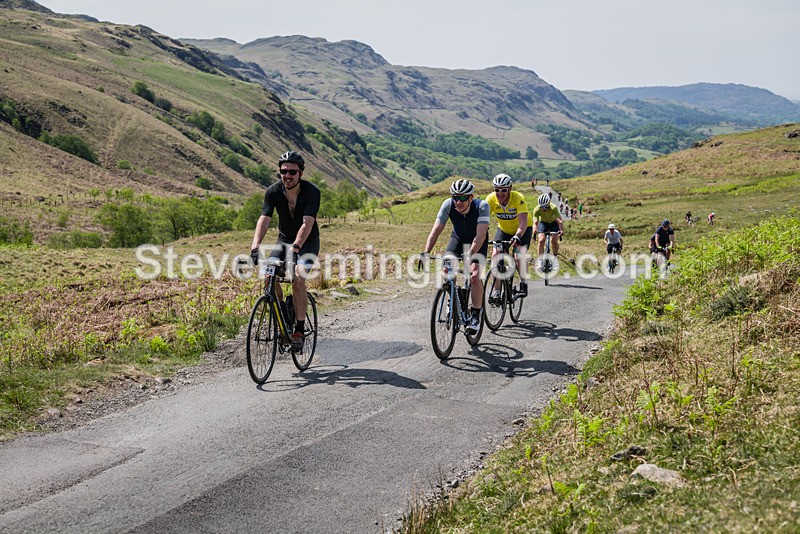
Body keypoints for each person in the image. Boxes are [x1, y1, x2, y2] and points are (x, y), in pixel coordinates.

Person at [250, 151, 320, 352]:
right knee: (268, 275)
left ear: (301, 173)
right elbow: (264, 220)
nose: (287, 175)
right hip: (283, 241)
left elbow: (307, 223)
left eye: (292, 172)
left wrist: (297, 247)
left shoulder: (311, 192)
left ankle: (298, 330)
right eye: (283, 171)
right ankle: (282, 317)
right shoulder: (273, 192)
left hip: (307, 242)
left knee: (298, 277)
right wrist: (255, 246)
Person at [422, 179, 489, 335]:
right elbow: (435, 231)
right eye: (455, 197)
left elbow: (480, 235)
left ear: (471, 198)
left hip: (477, 241)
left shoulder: (482, 206)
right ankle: (454, 297)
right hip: (457, 238)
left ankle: (475, 315)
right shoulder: (448, 205)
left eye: (463, 198)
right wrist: (426, 252)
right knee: (446, 268)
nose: (458, 201)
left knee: (474, 276)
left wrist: (470, 254)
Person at [486, 173, 530, 298]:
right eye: (497, 190)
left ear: (510, 189)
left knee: (518, 256)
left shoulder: (518, 198)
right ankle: (497, 292)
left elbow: (523, 222)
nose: (500, 193)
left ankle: (523, 283)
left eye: (504, 190)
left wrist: (517, 236)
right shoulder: (490, 199)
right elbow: (483, 221)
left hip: (523, 229)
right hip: (504, 230)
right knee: (495, 256)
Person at [531, 193, 564, 269]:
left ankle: (555, 259)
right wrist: (534, 229)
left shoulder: (553, 208)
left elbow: (560, 221)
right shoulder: (537, 209)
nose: (543, 209)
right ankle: (540, 261)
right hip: (543, 223)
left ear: (549, 203)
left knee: (554, 241)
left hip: (553, 223)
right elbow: (535, 222)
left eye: (546, 206)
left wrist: (561, 230)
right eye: (542, 206)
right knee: (541, 240)